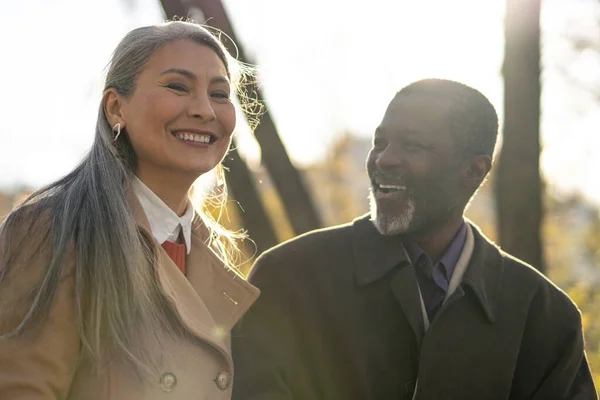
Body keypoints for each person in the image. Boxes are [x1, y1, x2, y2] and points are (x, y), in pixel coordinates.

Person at [231, 79, 597, 399]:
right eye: (381, 142)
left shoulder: (544, 314)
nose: (383, 160)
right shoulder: (289, 275)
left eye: (412, 146)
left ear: (473, 171)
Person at [0, 20, 261, 399]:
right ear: (115, 107)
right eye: (177, 86)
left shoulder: (212, 252)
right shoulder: (53, 230)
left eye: (220, 94)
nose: (205, 110)